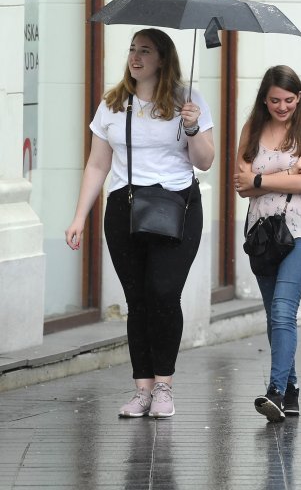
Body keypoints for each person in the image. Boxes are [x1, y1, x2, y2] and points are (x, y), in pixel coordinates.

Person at [65, 28, 215, 418]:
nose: (135, 57)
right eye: (132, 50)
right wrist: (79, 216)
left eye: (145, 51)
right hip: (124, 208)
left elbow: (205, 161)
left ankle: (164, 386)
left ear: (162, 59)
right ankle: (142, 389)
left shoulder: (188, 100)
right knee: (138, 300)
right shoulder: (113, 103)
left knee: (163, 294)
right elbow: (97, 164)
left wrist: (193, 127)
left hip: (177, 207)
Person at [234, 65, 301, 423]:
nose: (282, 106)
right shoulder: (253, 129)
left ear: (299, 97)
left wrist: (262, 177)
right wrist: (288, 174)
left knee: (284, 310)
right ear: (264, 99)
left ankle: (273, 390)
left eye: (289, 100)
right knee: (275, 315)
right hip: (262, 233)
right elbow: (242, 185)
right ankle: (291, 392)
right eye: (275, 100)